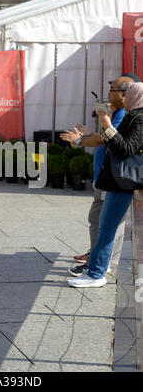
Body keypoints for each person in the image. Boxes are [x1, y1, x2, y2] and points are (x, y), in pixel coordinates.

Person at [61, 74, 140, 277]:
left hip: (117, 179)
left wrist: (82, 140)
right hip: (108, 177)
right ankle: (97, 262)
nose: (108, 93)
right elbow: (108, 138)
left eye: (112, 89)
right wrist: (88, 135)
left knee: (106, 225)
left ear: (124, 95)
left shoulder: (130, 116)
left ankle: (98, 266)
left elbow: (121, 145)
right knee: (102, 222)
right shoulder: (125, 114)